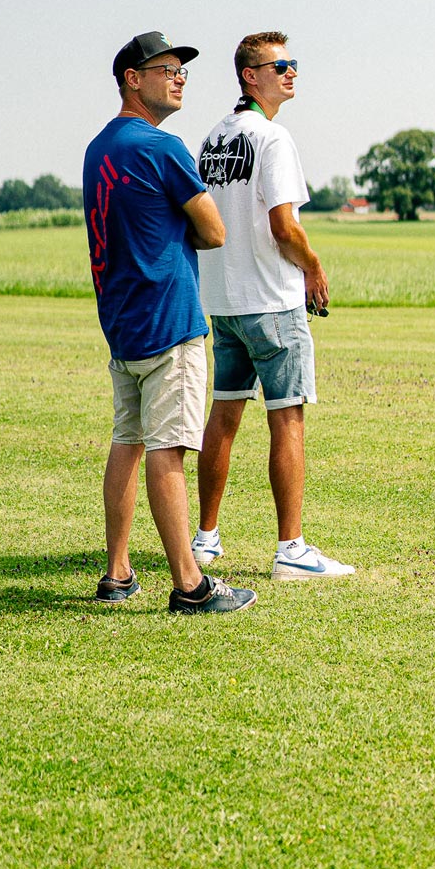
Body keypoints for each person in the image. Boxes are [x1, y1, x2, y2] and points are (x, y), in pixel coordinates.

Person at [86, 31, 256, 615]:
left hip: (123, 322)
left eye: (181, 69)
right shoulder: (164, 147)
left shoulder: (99, 147)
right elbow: (213, 231)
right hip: (170, 319)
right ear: (133, 78)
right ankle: (191, 583)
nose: (179, 76)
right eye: (165, 68)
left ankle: (116, 572)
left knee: (127, 439)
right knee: (168, 449)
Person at [190, 31, 356, 581]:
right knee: (287, 418)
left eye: (292, 64)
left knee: (226, 413)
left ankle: (205, 540)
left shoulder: (212, 140)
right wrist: (313, 266)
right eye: (278, 65)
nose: (290, 73)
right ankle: (292, 550)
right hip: (272, 299)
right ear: (249, 75)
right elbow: (284, 226)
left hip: (224, 300)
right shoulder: (273, 138)